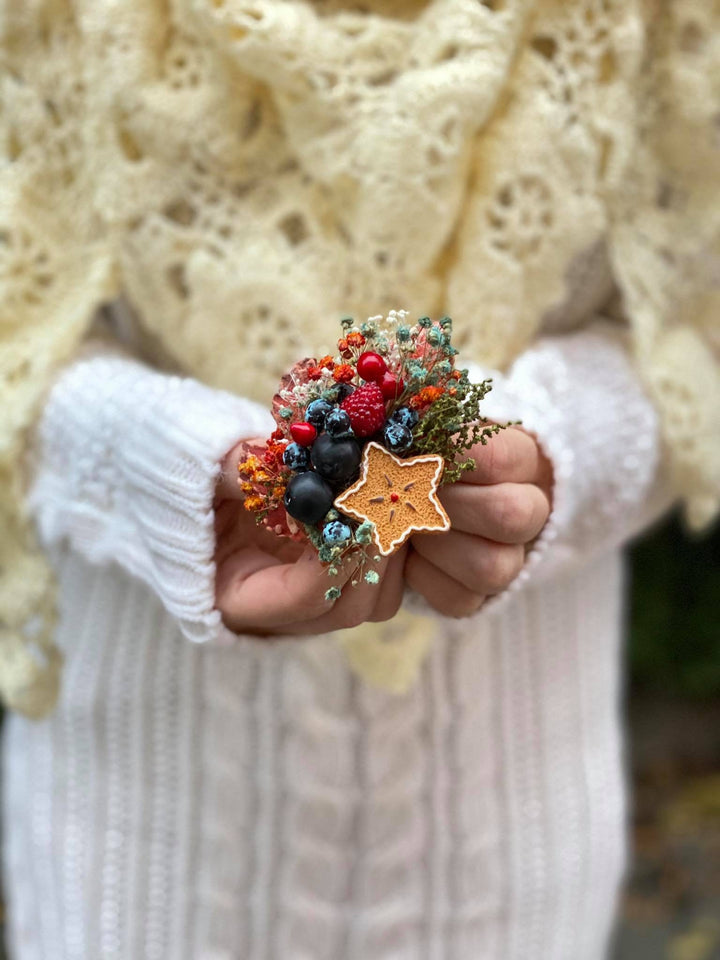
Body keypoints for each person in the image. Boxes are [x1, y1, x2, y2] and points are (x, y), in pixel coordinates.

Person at [1, 2, 718, 958]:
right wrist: (157, 464)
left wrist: (548, 459)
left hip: (509, 841)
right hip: (139, 844)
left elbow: (693, 342)